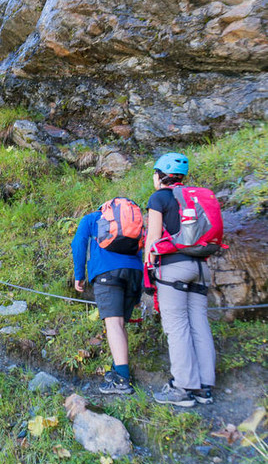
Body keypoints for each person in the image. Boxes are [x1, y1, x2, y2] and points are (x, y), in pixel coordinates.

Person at [145, 152, 216, 407]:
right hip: (201, 268)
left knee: (177, 327)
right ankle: (204, 388)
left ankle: (183, 388)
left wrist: (148, 271)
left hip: (174, 269)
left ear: (160, 175)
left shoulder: (160, 197)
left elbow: (153, 239)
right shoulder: (195, 197)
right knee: (199, 324)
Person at [71, 201, 144, 395]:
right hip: (135, 273)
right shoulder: (131, 221)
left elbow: (78, 242)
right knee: (119, 325)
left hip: (107, 273)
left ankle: (121, 379)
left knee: (113, 324)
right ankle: (119, 369)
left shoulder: (91, 219)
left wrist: (79, 275)